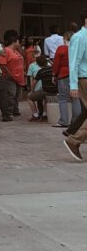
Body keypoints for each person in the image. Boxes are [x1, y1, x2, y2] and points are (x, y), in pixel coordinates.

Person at [64, 11, 87, 160]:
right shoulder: (79, 37)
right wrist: (73, 85)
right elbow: (73, 62)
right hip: (84, 78)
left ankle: (74, 139)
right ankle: (74, 140)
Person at [53, 29, 76, 127]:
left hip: (63, 74)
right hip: (76, 74)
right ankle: (75, 122)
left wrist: (54, 74)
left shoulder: (61, 48)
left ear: (65, 38)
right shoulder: (77, 48)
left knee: (63, 98)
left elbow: (56, 63)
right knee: (76, 99)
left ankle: (63, 121)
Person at [0, 30, 25, 118]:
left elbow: (22, 57)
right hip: (10, 77)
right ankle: (7, 113)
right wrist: (9, 74)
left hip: (18, 77)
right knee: (11, 94)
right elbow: (3, 64)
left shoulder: (16, 51)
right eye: (18, 41)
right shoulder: (6, 50)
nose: (20, 43)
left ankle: (15, 110)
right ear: (14, 41)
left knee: (16, 95)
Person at [26, 53, 49, 121]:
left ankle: (41, 114)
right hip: (38, 87)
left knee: (44, 99)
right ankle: (40, 114)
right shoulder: (32, 66)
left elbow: (34, 80)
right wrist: (31, 88)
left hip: (43, 88)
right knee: (39, 100)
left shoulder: (45, 67)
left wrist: (31, 90)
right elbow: (31, 78)